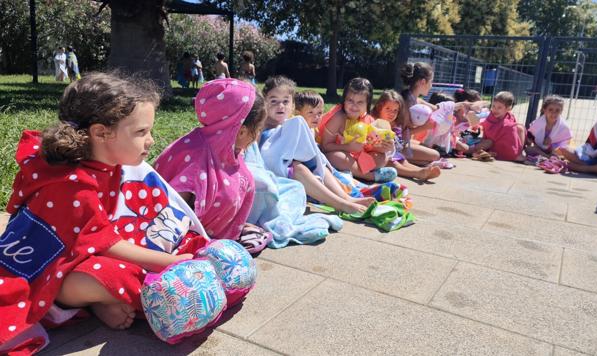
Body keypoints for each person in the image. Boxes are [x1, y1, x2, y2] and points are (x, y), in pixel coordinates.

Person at [0, 72, 202, 354]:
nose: (151, 141)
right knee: (122, 274)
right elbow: (105, 243)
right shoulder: (74, 185)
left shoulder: (102, 162)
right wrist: (169, 263)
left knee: (138, 245)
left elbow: (100, 229)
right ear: (101, 133)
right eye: (141, 132)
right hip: (45, 278)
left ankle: (97, 302)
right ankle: (86, 302)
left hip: (74, 255)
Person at [154, 79, 273, 254]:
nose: (257, 137)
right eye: (259, 129)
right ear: (241, 131)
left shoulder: (224, 147)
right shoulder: (196, 162)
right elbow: (167, 218)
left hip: (212, 235)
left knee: (258, 235)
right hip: (181, 242)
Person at [259, 76, 373, 213]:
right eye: (273, 101)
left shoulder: (289, 125)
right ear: (264, 103)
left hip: (301, 169)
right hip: (278, 172)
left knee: (319, 164)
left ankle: (346, 198)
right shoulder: (261, 126)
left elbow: (309, 152)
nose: (280, 106)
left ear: (292, 105)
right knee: (298, 167)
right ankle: (340, 204)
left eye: (285, 101)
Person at [318, 77, 397, 182]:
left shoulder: (368, 120)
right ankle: (370, 176)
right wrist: (348, 147)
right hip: (335, 153)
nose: (354, 106)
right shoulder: (339, 117)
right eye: (350, 100)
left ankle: (353, 171)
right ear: (344, 100)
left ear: (367, 104)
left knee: (382, 158)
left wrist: (383, 148)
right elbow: (325, 147)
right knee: (336, 157)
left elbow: (369, 147)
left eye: (360, 102)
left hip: (355, 158)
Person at [371, 90, 441, 181]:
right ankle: (417, 173)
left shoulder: (394, 123)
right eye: (388, 109)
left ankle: (422, 170)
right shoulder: (375, 121)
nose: (391, 113)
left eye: (395, 110)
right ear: (379, 107)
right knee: (393, 163)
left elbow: (400, 142)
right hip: (380, 154)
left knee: (403, 161)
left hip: (393, 152)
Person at [399, 62, 443, 164]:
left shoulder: (414, 99)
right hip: (398, 143)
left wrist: (461, 105)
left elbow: (437, 108)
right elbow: (402, 133)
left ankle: (413, 160)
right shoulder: (407, 102)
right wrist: (426, 127)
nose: (431, 86)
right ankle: (401, 158)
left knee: (430, 149)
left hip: (405, 141)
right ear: (423, 82)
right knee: (436, 155)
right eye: (431, 81)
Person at [473, 91, 526, 161]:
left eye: (499, 107)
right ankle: (512, 155)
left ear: (508, 108)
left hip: (501, 142)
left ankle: (517, 152)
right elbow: (488, 131)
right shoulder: (490, 117)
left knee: (520, 128)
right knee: (510, 127)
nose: (495, 109)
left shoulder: (510, 116)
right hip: (491, 142)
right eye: (493, 106)